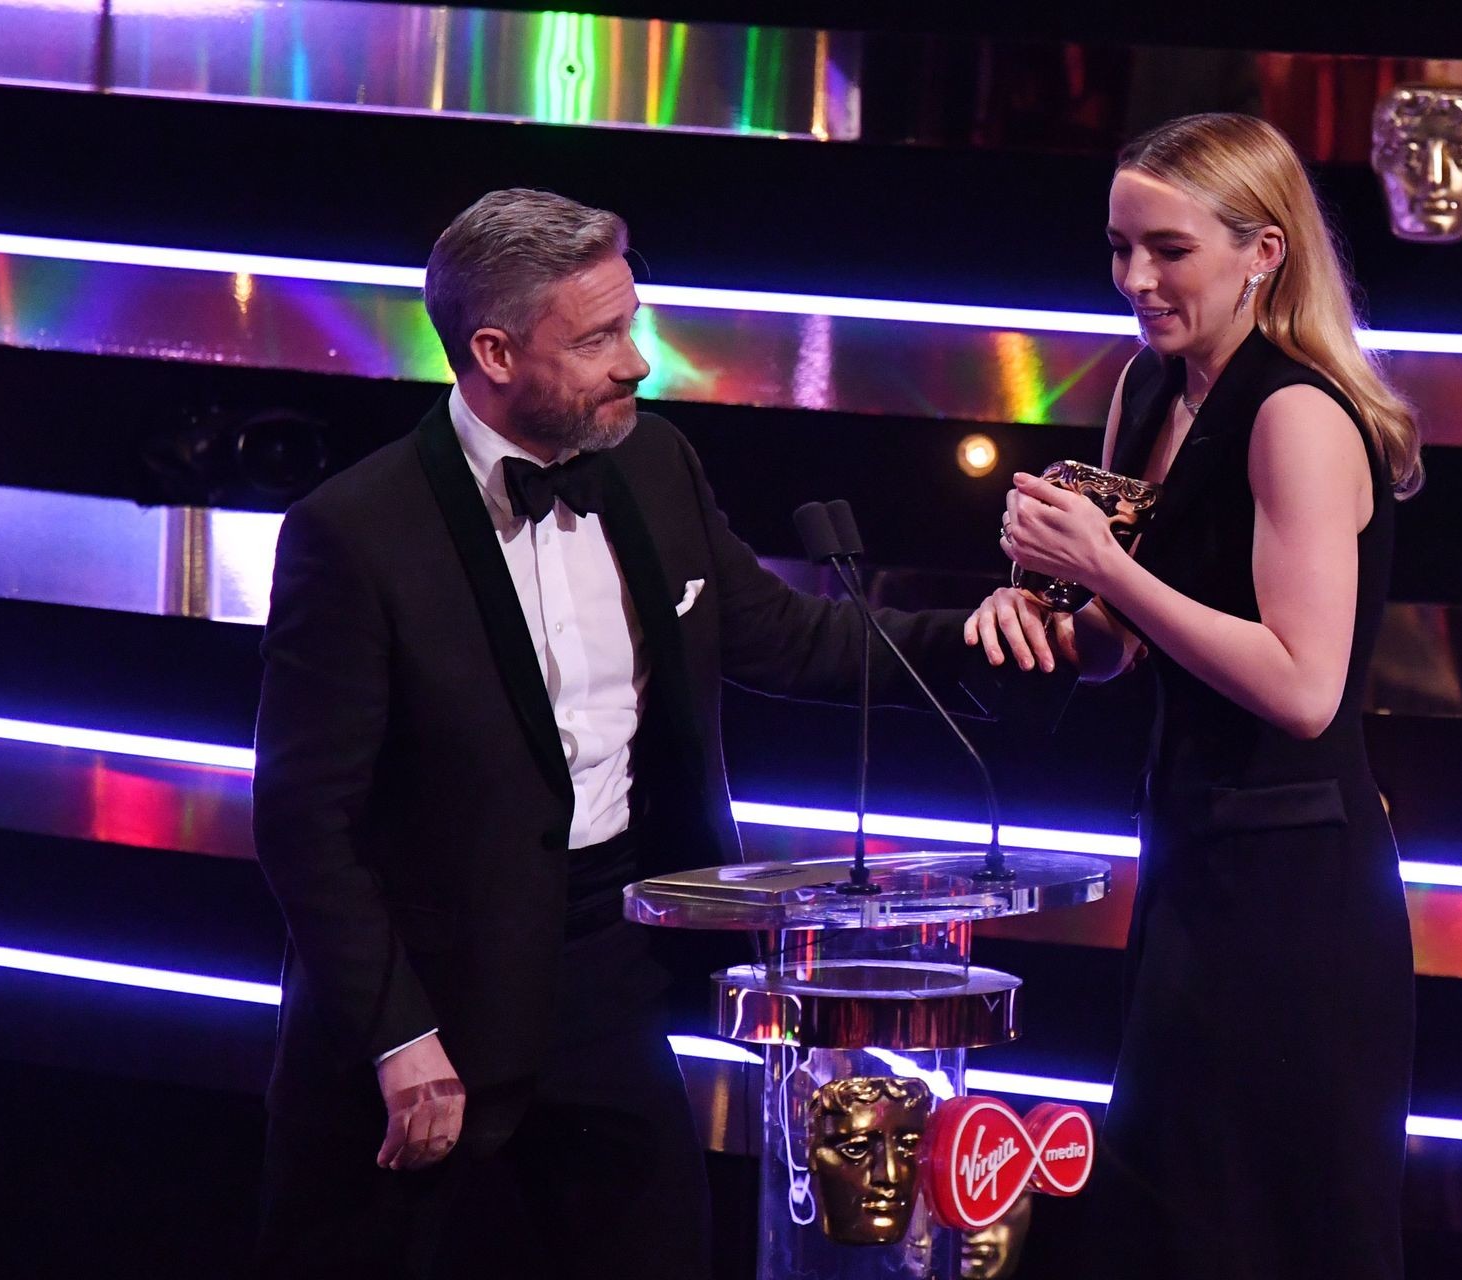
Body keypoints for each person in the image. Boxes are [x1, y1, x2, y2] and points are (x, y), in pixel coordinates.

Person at [252, 188, 978, 1278]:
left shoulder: (654, 463)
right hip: (430, 990)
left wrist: (990, 639)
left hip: (609, 963)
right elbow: (306, 819)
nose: (636, 362)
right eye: (596, 339)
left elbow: (792, 639)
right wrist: (398, 1034)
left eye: (630, 324)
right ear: (494, 352)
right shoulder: (355, 532)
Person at [965, 112, 1421, 1278]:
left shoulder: (1297, 415)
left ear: (1263, 251)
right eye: (1121, 248)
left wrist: (1107, 568)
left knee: (1268, 1226)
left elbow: (1304, 687)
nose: (1136, 280)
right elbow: (1122, 643)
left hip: (1295, 892)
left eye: (1168, 250)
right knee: (1165, 1216)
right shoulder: (1149, 390)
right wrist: (1047, 611)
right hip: (1188, 859)